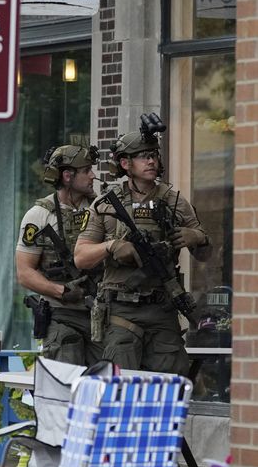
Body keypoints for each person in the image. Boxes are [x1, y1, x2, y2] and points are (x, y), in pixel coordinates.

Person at [74, 115, 211, 376]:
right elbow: (80, 256)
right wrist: (111, 246)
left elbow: (206, 253)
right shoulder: (105, 204)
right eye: (142, 156)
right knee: (120, 389)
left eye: (154, 155)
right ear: (125, 163)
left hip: (163, 309)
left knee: (171, 386)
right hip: (122, 312)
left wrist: (197, 238)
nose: (150, 161)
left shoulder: (175, 201)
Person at [16, 145, 104, 366]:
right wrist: (62, 291)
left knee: (105, 386)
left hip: (102, 314)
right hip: (62, 315)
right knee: (67, 383)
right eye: (86, 170)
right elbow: (25, 272)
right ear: (67, 176)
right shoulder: (39, 215)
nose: (93, 175)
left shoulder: (101, 209)